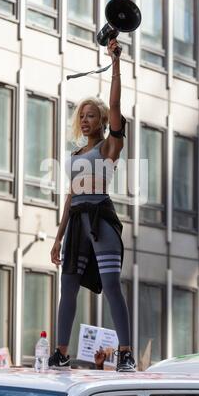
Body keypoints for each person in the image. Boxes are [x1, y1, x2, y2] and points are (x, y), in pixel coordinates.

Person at [49, 38, 136, 373]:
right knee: (67, 287)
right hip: (76, 224)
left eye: (92, 116)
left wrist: (114, 63)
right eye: (82, 116)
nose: (85, 120)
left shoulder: (109, 147)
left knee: (112, 284)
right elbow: (70, 197)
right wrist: (58, 238)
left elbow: (115, 104)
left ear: (102, 121)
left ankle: (125, 352)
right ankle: (60, 352)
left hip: (101, 220)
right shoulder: (75, 155)